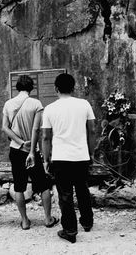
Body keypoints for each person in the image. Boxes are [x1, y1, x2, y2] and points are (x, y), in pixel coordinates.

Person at [42, 73, 96, 243]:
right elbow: (92, 130)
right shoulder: (84, 104)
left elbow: (45, 137)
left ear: (56, 89)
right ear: (74, 88)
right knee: (82, 189)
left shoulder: (50, 109)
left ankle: (70, 230)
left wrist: (46, 159)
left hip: (60, 157)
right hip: (81, 155)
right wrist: (91, 152)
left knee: (65, 194)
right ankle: (87, 222)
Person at [2, 75, 58, 230]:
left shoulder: (8, 104)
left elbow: (5, 127)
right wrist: (31, 150)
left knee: (19, 186)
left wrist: (20, 143)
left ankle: (25, 221)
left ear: (17, 87)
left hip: (15, 149)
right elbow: (36, 129)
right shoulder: (36, 104)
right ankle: (47, 219)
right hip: (32, 151)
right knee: (43, 185)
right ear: (31, 88)